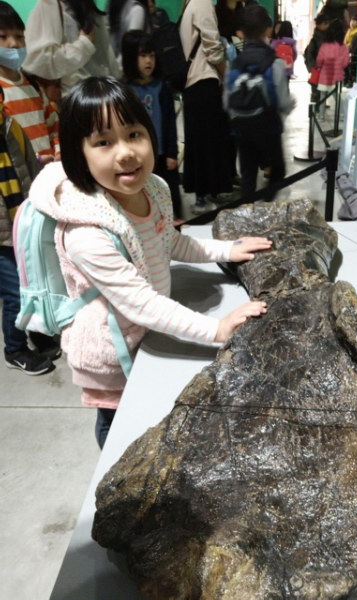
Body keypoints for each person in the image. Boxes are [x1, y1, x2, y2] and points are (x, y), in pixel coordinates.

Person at [27, 76, 270, 447]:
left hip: (148, 331)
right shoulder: (86, 233)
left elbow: (169, 241)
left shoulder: (153, 189)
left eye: (134, 134)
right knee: (118, 424)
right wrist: (217, 329)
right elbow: (141, 303)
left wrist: (225, 250)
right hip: (113, 350)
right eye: (103, 142)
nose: (125, 152)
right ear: (78, 154)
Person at [0, 101, 59, 374]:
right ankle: (15, 350)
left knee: (35, 282)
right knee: (15, 293)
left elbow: (32, 170)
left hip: (23, 224)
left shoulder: (11, 126)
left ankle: (38, 331)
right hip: (1, 235)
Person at [224, 5, 294, 199]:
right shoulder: (274, 62)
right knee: (278, 171)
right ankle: (267, 204)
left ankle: (247, 209)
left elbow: (227, 100)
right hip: (268, 128)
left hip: (242, 128)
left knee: (248, 175)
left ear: (242, 33)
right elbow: (283, 102)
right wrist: (290, 105)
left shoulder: (235, 63)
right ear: (267, 30)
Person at [179, 0, 236, 214]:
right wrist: (225, 74)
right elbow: (213, 47)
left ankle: (208, 191)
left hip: (193, 82)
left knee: (201, 140)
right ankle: (202, 196)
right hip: (203, 79)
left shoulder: (189, 5)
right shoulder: (202, 4)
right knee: (206, 141)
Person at [122, 30, 182, 220]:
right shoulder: (125, 90)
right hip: (137, 156)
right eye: (142, 56)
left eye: (152, 56)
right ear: (131, 57)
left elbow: (170, 122)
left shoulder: (161, 87)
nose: (148, 61)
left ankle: (174, 226)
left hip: (162, 156)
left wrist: (172, 152)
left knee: (170, 197)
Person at [0, 2, 60, 166]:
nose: (14, 44)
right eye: (3, 37)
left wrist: (58, 150)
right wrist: (35, 159)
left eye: (19, 36)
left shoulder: (33, 84)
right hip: (18, 174)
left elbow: (53, 124)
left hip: (47, 172)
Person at [22, 0, 121, 97]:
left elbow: (106, 57)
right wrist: (84, 45)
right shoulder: (49, 5)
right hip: (73, 96)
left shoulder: (88, 7)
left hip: (100, 92)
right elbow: (38, 60)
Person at [315, 19, 349, 118]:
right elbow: (345, 63)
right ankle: (342, 114)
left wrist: (320, 66)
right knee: (337, 96)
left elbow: (319, 61)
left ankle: (321, 115)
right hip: (337, 76)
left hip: (324, 75)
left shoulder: (325, 46)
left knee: (322, 95)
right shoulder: (343, 47)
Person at [303, 14, 330, 102]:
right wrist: (314, 67)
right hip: (317, 69)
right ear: (319, 25)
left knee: (324, 91)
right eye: (325, 23)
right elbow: (309, 55)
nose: (327, 25)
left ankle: (322, 105)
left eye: (328, 23)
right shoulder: (315, 40)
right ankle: (317, 107)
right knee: (316, 92)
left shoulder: (329, 37)